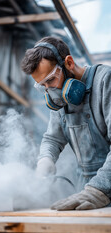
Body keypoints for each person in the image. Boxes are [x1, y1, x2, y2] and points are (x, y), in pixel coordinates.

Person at [21, 36, 111, 210]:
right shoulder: (60, 98)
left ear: (69, 63)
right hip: (84, 191)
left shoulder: (105, 80)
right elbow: (52, 139)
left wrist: (98, 190)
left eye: (50, 80)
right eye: (42, 86)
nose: (49, 90)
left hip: (102, 188)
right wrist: (45, 160)